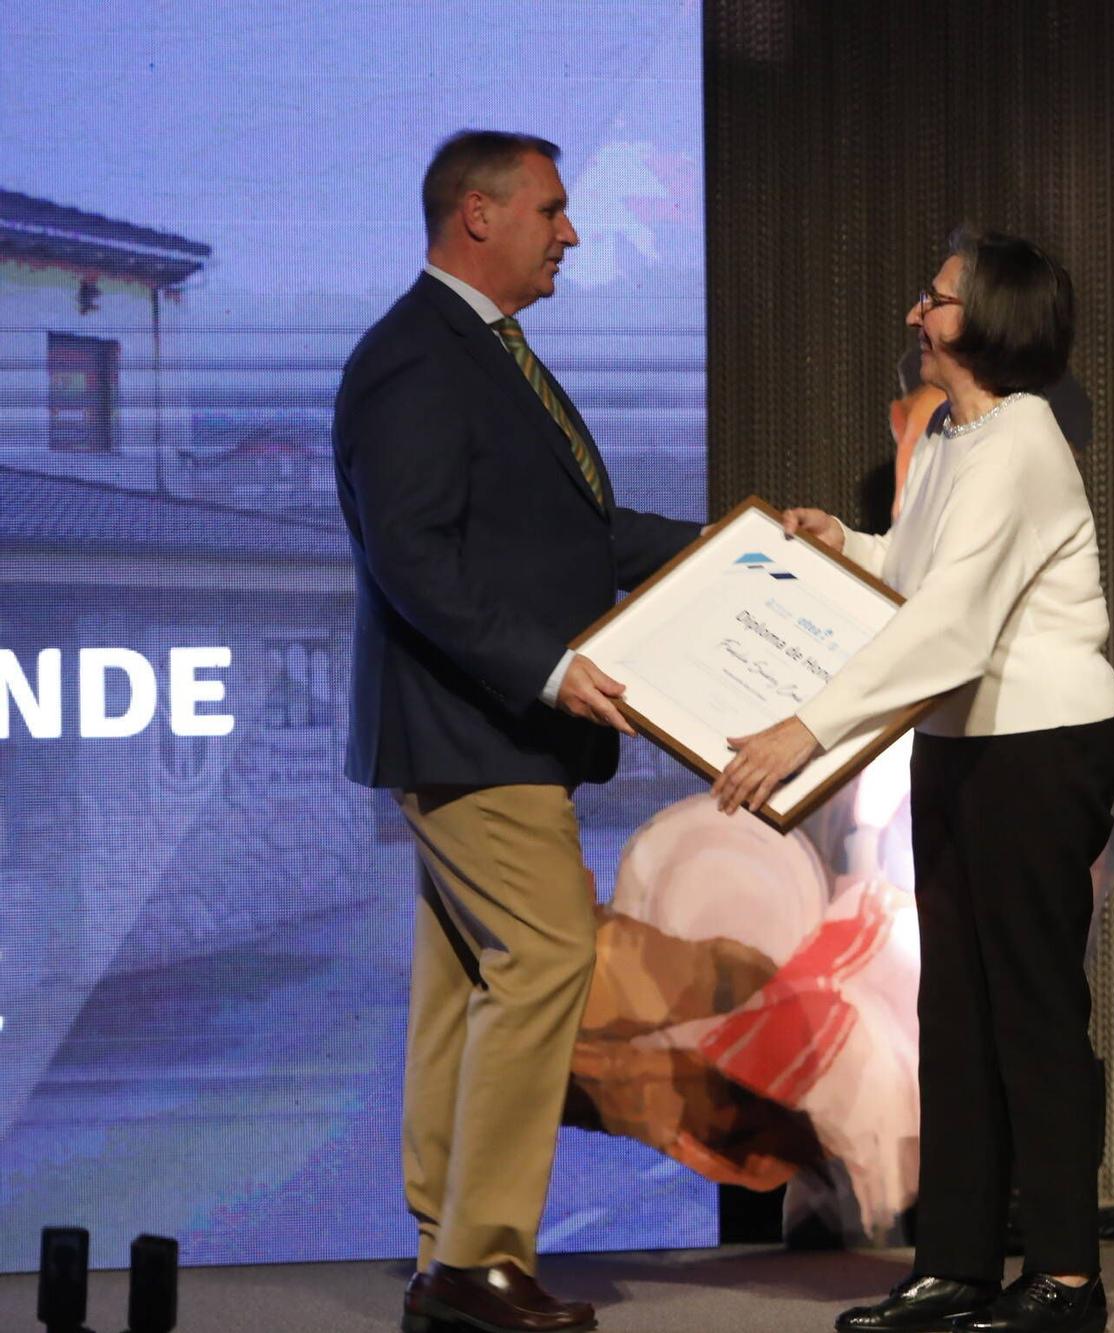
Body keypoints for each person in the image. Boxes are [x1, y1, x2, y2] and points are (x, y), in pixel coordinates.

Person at [715, 226, 1114, 1333]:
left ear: (989, 319)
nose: (916, 314)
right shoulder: (953, 434)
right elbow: (913, 572)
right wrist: (836, 543)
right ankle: (954, 1261)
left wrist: (802, 730)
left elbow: (949, 628)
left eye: (935, 299)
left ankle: (1066, 1277)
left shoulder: (1026, 440)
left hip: (1039, 746)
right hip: (959, 744)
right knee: (953, 1009)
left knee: (1031, 1009)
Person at [333, 129, 699, 1333]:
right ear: (476, 217)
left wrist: (735, 548)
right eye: (552, 209)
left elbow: (570, 536)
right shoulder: (418, 359)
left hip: (483, 736)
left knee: (471, 980)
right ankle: (476, 1259)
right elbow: (414, 562)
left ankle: (449, 1245)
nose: (572, 231)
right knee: (546, 957)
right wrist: (547, 669)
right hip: (469, 731)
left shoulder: (482, 352)